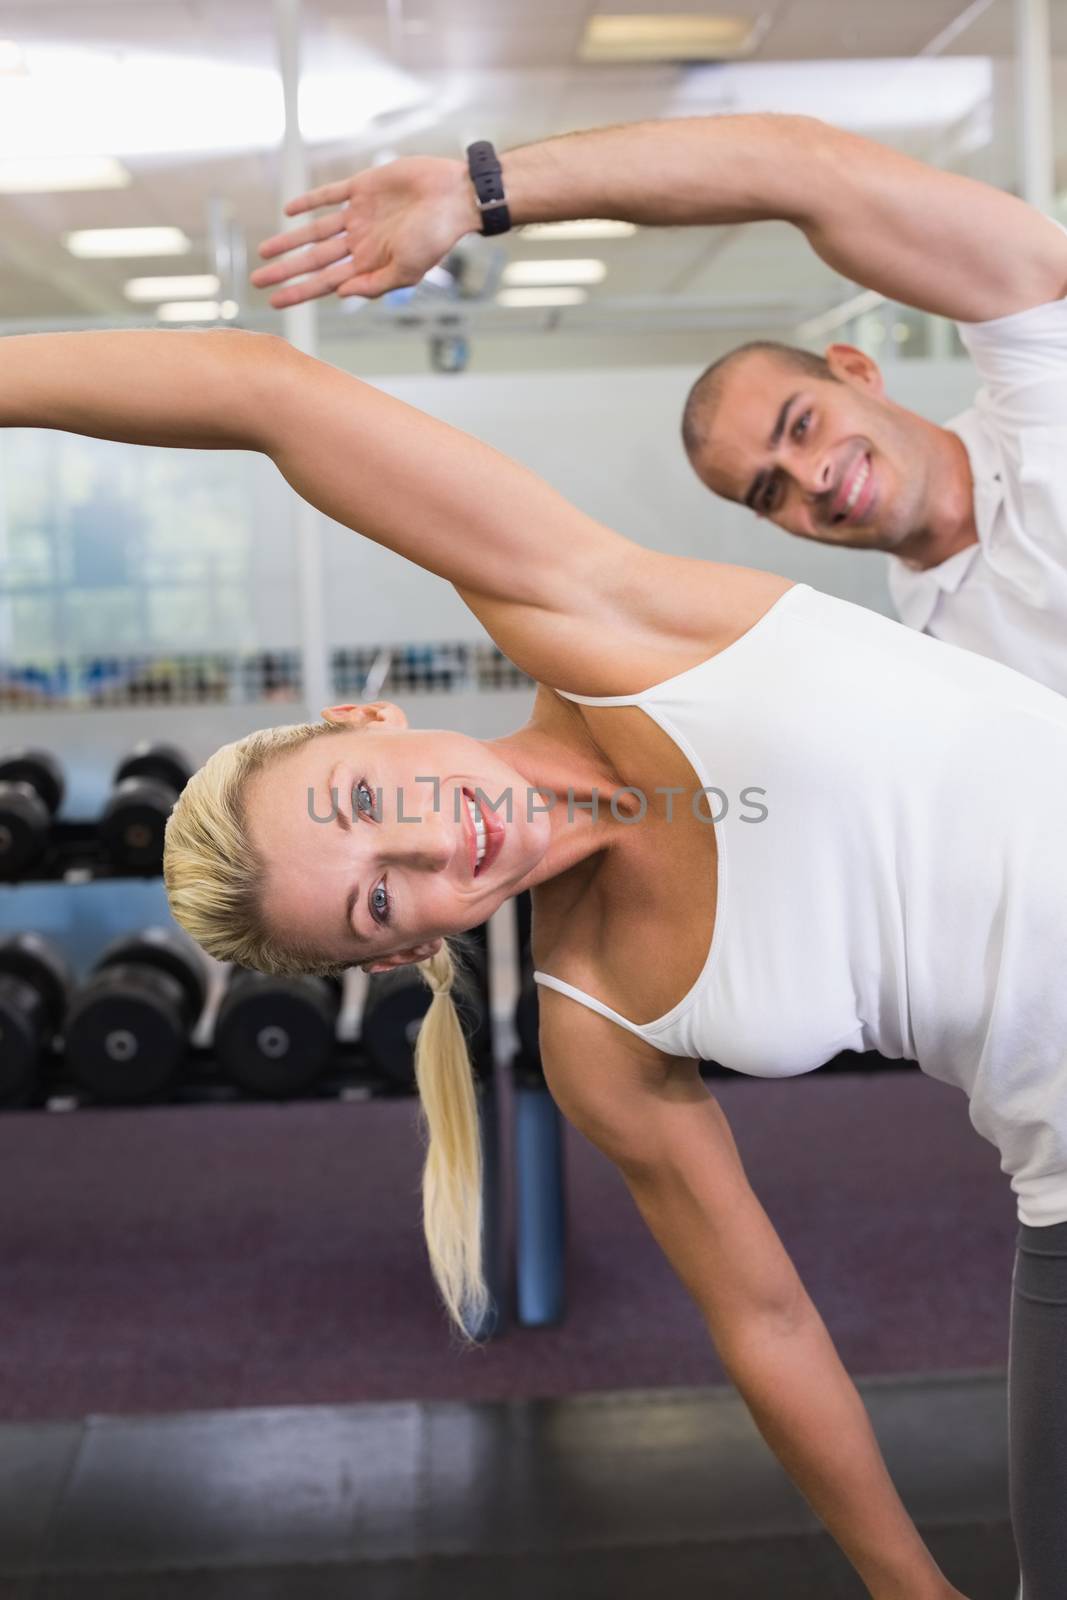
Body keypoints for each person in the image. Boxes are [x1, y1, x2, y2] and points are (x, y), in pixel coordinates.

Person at [11, 326, 1067, 1600]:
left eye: (359, 797)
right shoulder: (595, 1028)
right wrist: (906, 1588)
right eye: (380, 895)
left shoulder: (596, 616)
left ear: (367, 718)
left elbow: (259, 391)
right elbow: (765, 1319)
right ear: (405, 946)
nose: (427, 841)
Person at [252, 113, 1067, 696]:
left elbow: (799, 168)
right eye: (768, 490)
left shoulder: (1041, 381)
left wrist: (478, 193)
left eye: (800, 424)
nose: (809, 477)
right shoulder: (932, 656)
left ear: (855, 369)